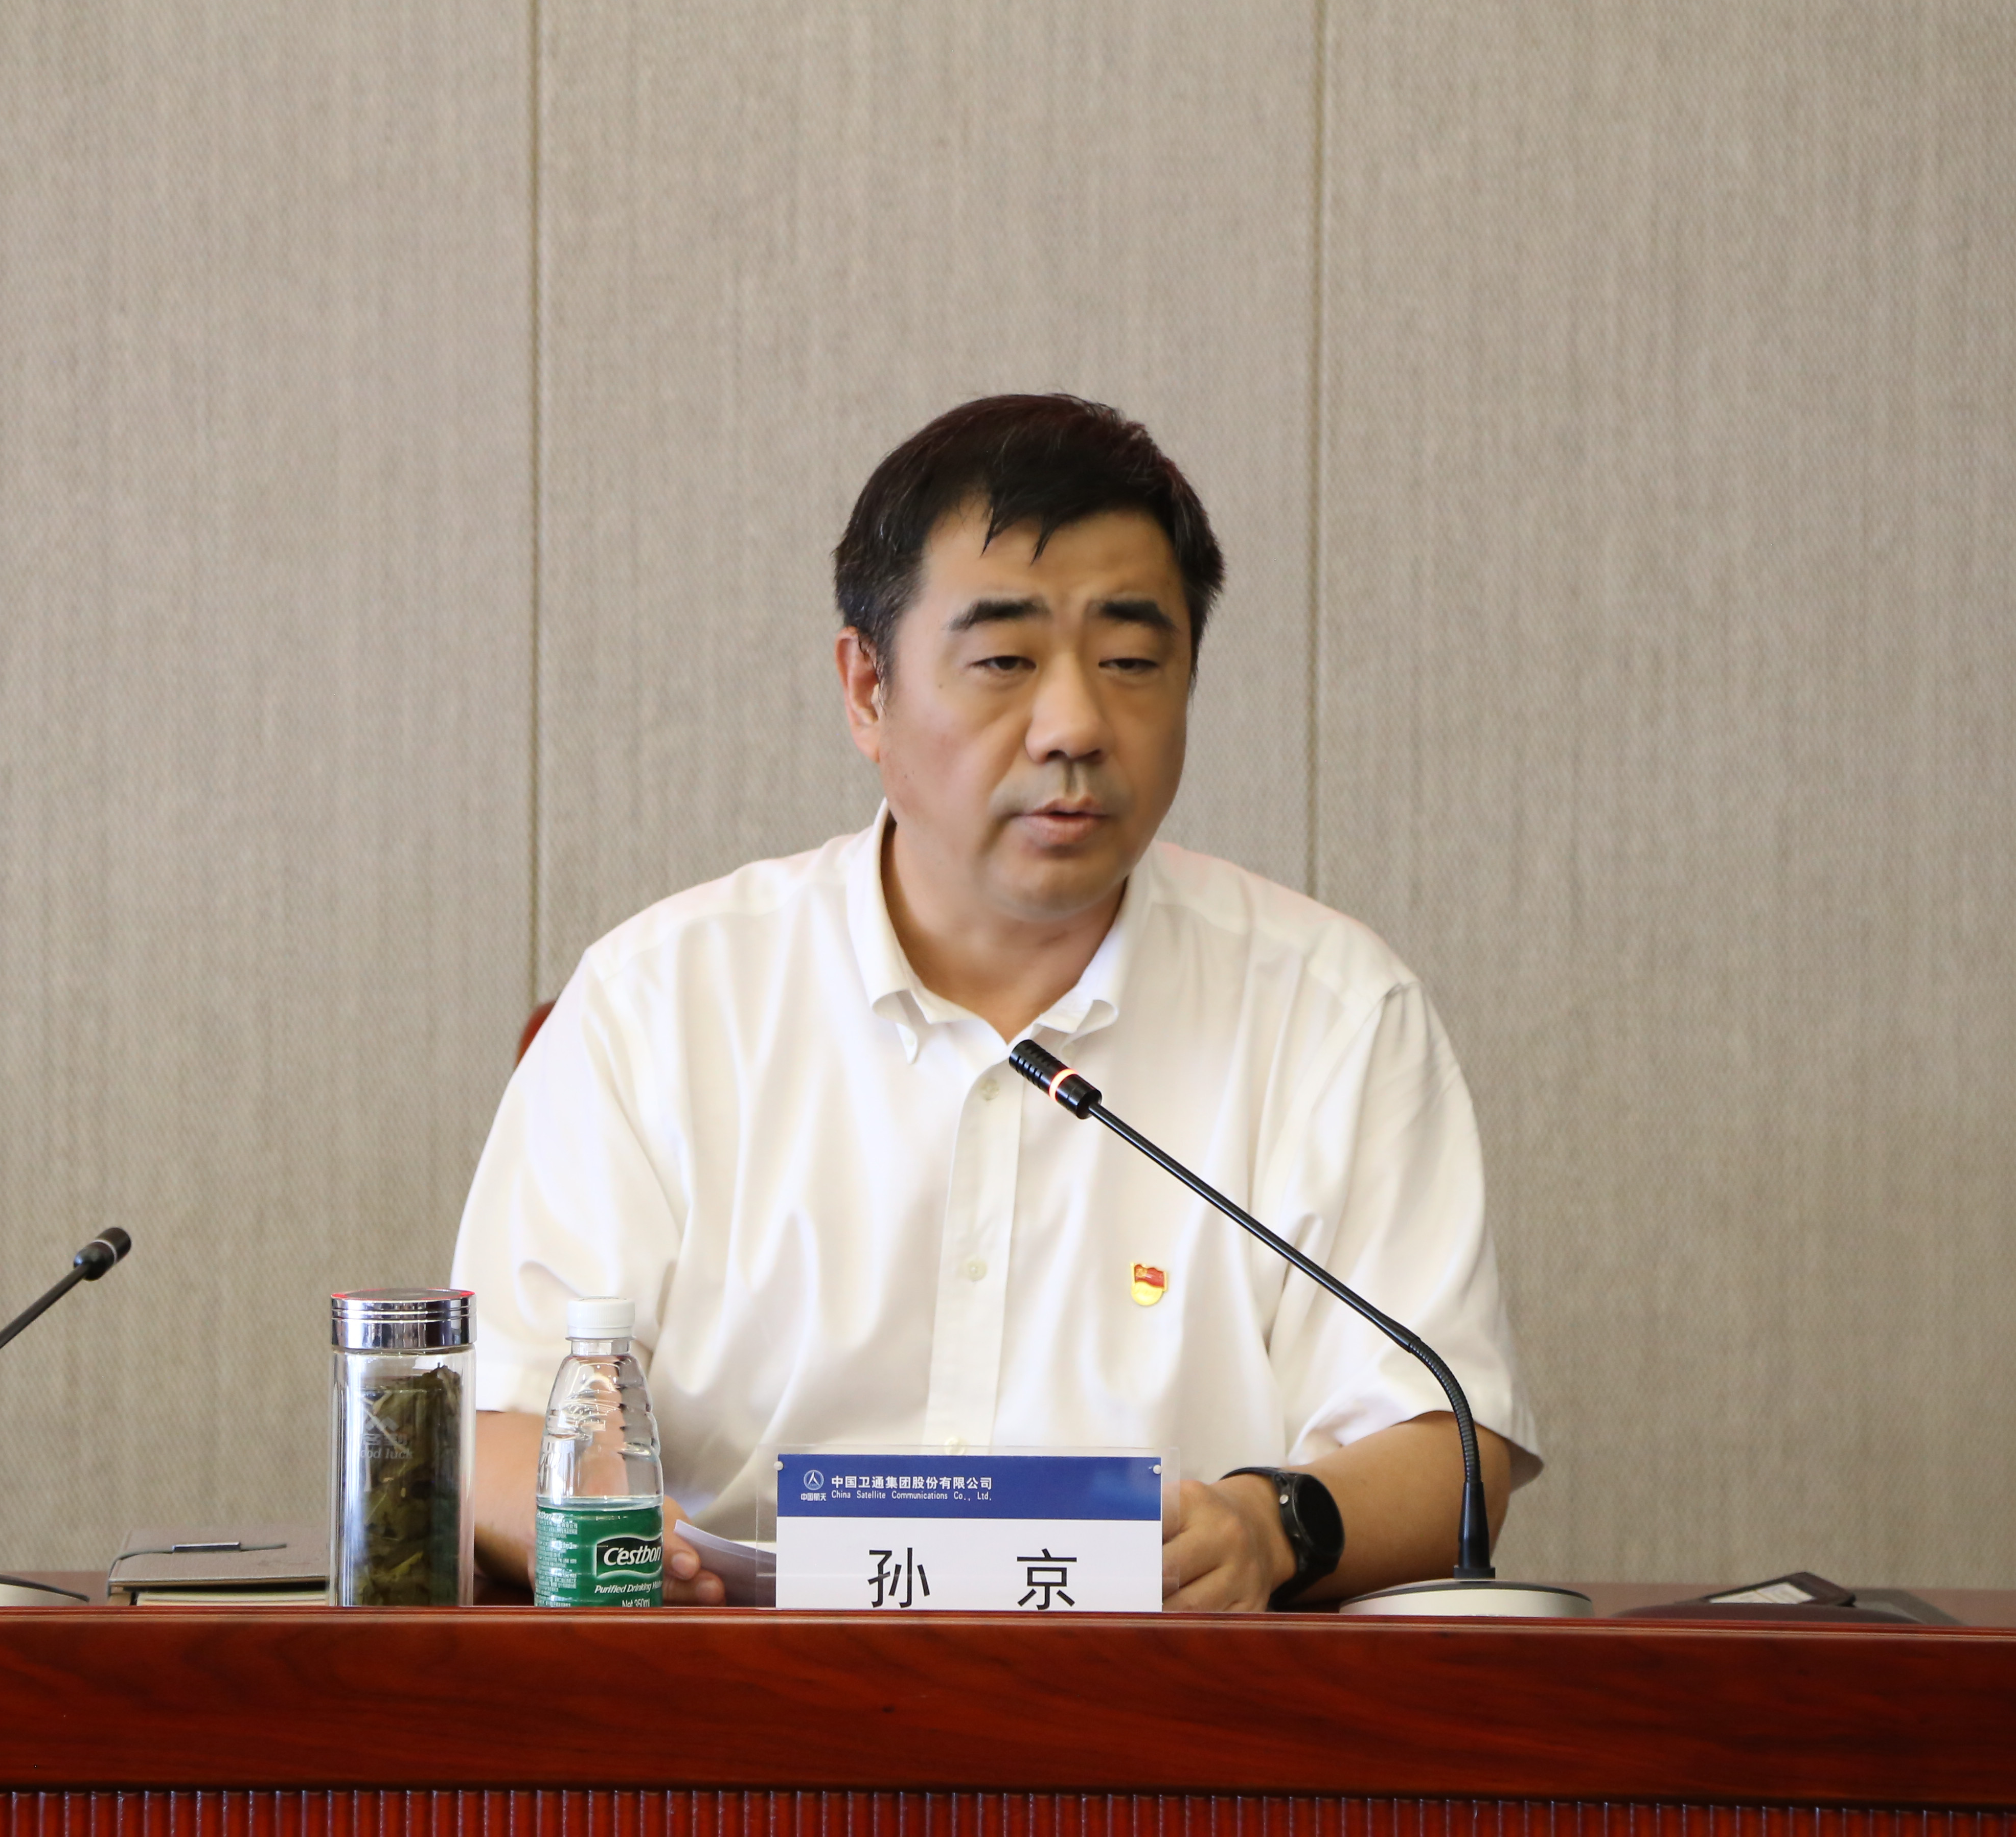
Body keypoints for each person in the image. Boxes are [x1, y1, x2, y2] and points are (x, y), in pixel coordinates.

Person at [452, 394, 1539, 1609]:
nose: (1075, 726)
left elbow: (1448, 1446)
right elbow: (495, 1425)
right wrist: (618, 1542)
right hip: (738, 1689)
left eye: (1132, 663)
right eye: (1005, 663)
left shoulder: (1332, 1013)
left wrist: (1271, 1526)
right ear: (867, 689)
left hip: (1171, 1704)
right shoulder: (663, 1001)